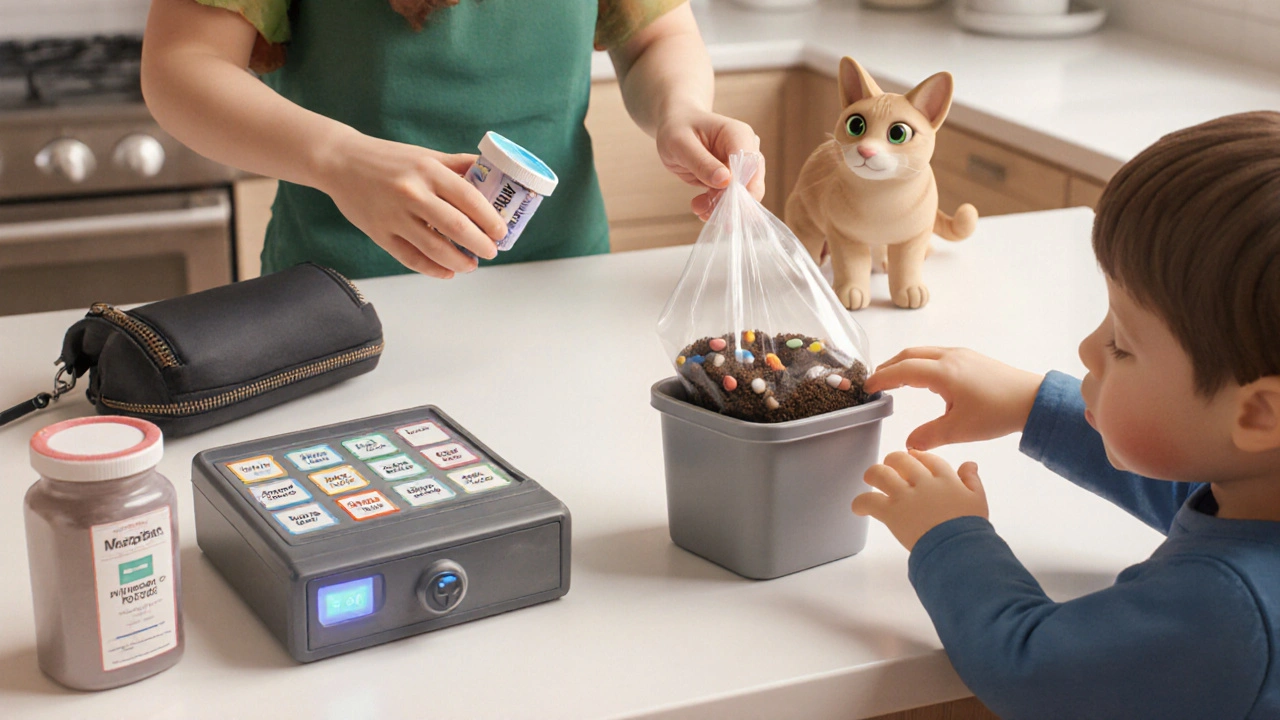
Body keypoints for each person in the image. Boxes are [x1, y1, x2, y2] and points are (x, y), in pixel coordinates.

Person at [851, 111, 1280, 719]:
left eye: (1123, 345)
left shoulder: (1228, 611)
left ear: (1261, 414)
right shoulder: (1263, 492)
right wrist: (1033, 405)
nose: (1087, 350)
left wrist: (947, 534)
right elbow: (1190, 489)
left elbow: (1028, 665)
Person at [140, 0, 763, 279]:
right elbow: (180, 65)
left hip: (560, 284)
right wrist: (338, 158)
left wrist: (680, 111)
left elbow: (657, 37)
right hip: (343, 301)